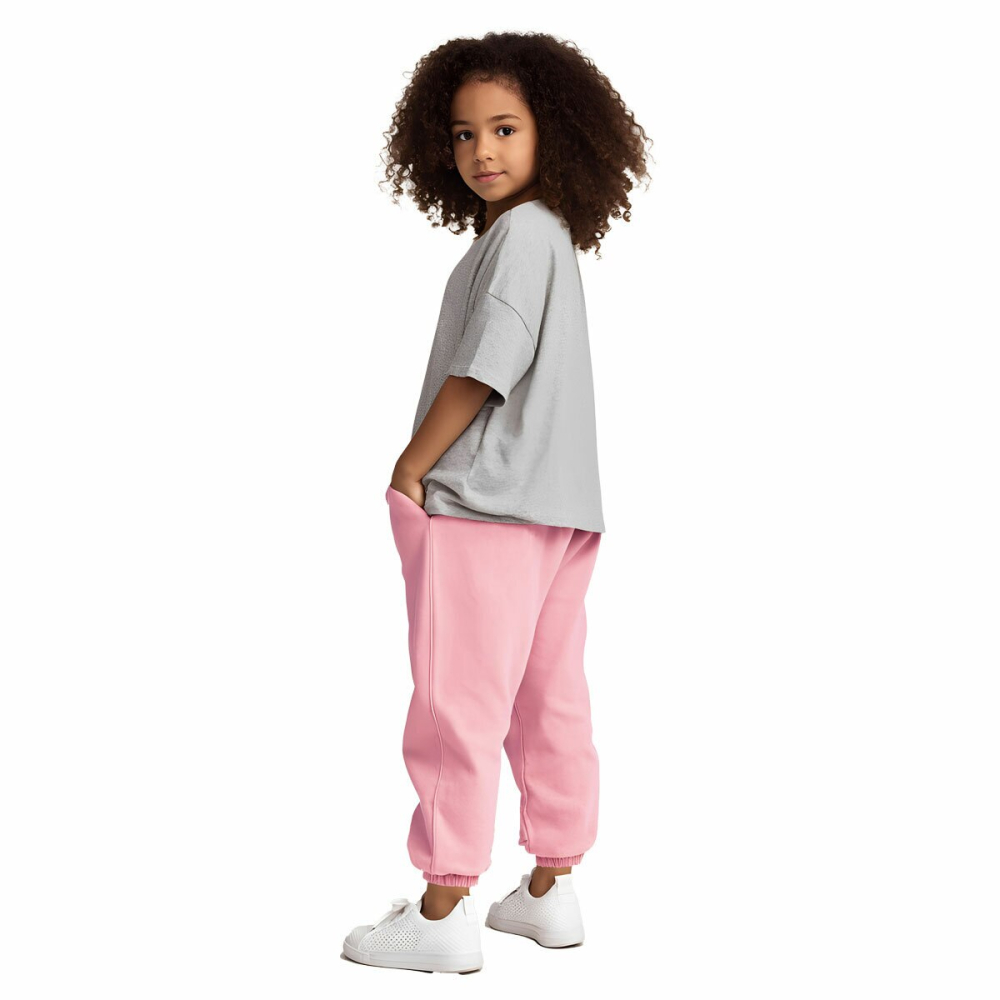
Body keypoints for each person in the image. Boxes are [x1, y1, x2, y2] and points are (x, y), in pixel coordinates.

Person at [342, 31, 651, 974]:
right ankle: (551, 888)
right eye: (464, 133)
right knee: (549, 697)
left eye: (505, 128)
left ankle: (442, 911)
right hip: (561, 507)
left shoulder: (517, 236)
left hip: (484, 505)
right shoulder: (547, 235)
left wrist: (411, 463)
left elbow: (486, 367)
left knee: (457, 705)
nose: (482, 150)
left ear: (552, 130)